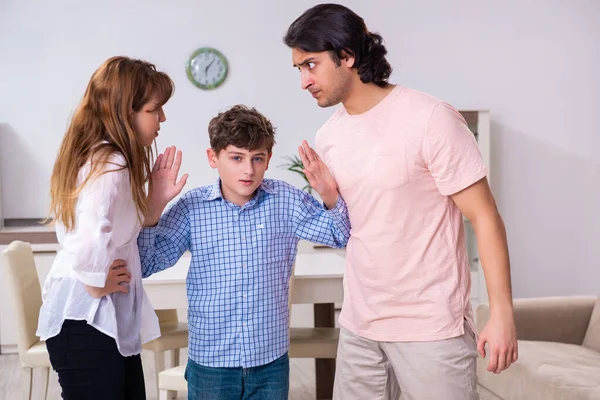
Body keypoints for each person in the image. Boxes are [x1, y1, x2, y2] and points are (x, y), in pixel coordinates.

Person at [284, 4, 518, 399]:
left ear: (347, 56)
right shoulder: (330, 137)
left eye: (311, 65)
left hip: (431, 329)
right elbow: (359, 225)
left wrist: (502, 314)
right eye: (299, 70)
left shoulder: (430, 119)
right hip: (360, 325)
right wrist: (328, 199)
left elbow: (485, 217)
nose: (304, 81)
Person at [137, 104, 351, 400]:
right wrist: (152, 210)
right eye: (236, 158)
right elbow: (145, 263)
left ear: (268, 159)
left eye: (257, 159)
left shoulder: (285, 201)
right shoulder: (191, 209)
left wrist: (329, 194)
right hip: (211, 362)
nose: (248, 170)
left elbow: (340, 235)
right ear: (213, 158)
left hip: (270, 361)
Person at [37, 56, 176, 400]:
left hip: (95, 322)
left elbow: (116, 233)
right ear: (125, 112)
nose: (162, 118)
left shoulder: (109, 160)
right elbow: (83, 234)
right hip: (84, 321)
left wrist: (155, 200)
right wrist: (95, 281)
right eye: (154, 109)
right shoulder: (111, 163)